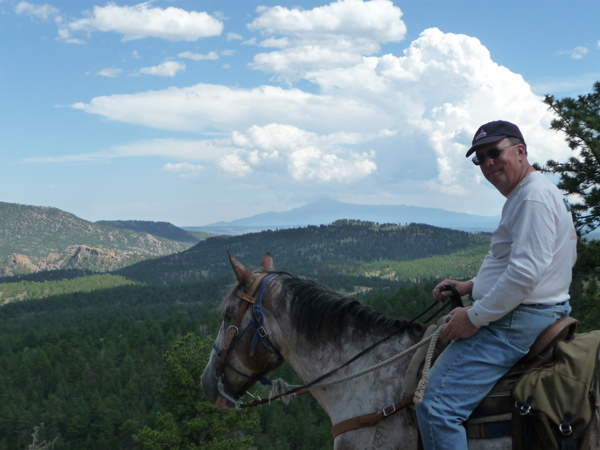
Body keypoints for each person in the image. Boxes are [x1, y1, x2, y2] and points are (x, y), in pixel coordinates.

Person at [415, 120, 578, 450]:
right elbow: (519, 264)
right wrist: (470, 285)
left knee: (435, 407)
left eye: (494, 152)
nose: (488, 163)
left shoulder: (531, 198)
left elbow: (523, 275)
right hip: (534, 308)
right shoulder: (530, 192)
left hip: (520, 318)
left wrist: (473, 318)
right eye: (480, 158)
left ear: (520, 151)